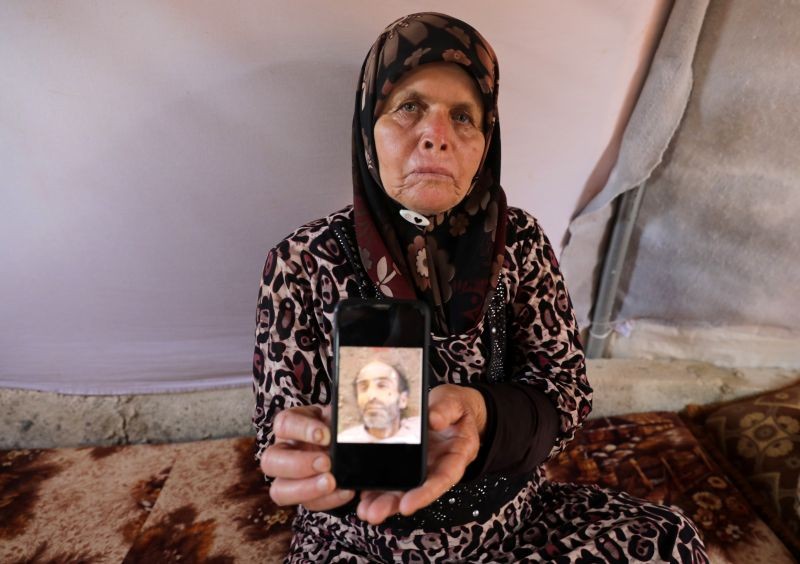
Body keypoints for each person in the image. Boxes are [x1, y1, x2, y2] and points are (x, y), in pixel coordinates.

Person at [253, 12, 708, 562]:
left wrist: (485, 417)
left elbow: (565, 394)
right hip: (363, 542)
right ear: (367, 126)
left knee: (669, 542)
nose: (436, 137)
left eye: (464, 116)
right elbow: (279, 431)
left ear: (486, 141)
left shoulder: (520, 244)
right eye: (409, 107)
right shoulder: (300, 262)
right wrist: (305, 457)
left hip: (516, 525)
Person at [338, 360, 421, 444]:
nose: (371, 396)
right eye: (363, 387)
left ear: (403, 400)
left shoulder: (418, 435)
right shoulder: (345, 440)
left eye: (382, 386)